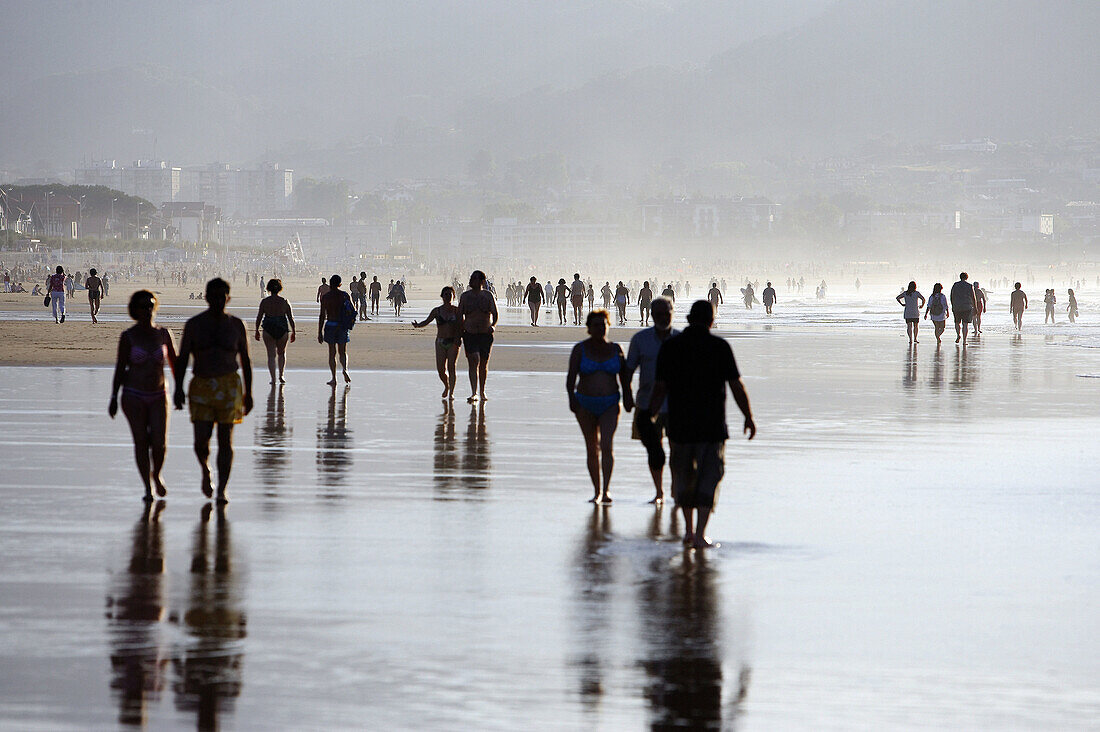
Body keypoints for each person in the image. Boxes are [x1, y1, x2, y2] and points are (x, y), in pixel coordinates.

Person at [649, 301, 755, 549]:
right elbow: (736, 385)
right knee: (709, 477)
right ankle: (700, 534)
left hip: (680, 424)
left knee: (684, 476)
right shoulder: (719, 347)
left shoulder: (671, 347)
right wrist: (748, 417)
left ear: (687, 318)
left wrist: (649, 416)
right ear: (711, 321)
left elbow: (660, 388)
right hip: (711, 426)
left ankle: (687, 531)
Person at [173, 278, 253, 503]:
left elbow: (245, 360)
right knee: (201, 440)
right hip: (202, 385)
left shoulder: (236, 325)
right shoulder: (195, 324)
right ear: (206, 297)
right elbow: (182, 359)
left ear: (228, 298)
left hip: (229, 385)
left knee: (225, 439)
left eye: (222, 296)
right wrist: (178, 388)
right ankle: (206, 471)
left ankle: (222, 489)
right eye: (214, 296)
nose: (218, 301)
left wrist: (249, 393)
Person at [109, 291, 178, 501]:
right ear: (135, 310)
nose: (147, 310)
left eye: (150, 305)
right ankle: (147, 487)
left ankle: (156, 474)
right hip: (133, 395)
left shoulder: (164, 334)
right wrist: (113, 397)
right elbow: (121, 368)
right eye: (142, 306)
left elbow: (176, 365)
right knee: (141, 441)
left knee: (159, 443)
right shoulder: (129, 336)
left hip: (159, 393)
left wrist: (181, 390)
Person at [567, 310, 634, 504]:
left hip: (610, 403)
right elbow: (571, 377)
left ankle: (606, 490)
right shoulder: (580, 349)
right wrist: (571, 398)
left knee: (606, 445)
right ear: (589, 328)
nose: (600, 328)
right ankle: (596, 491)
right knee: (592, 448)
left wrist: (628, 398)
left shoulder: (616, 349)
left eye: (604, 324)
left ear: (608, 326)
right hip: (585, 403)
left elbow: (624, 378)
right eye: (596, 325)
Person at [625, 297, 679, 503]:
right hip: (646, 403)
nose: (663, 317)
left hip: (676, 405)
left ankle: (675, 488)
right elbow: (628, 370)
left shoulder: (680, 340)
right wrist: (627, 395)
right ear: (651, 315)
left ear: (673, 312)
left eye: (667, 313)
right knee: (653, 449)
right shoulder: (640, 339)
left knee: (677, 449)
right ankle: (659, 492)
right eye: (658, 314)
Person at [413, 286, 461, 399]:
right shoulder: (437, 311)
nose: (448, 296)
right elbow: (427, 321)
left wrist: (459, 339)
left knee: (451, 367)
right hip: (440, 342)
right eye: (446, 294)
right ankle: (446, 385)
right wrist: (418, 325)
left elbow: (461, 325)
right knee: (441, 370)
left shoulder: (457, 310)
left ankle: (451, 393)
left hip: (453, 342)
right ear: (442, 296)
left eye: (450, 294)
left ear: (453, 296)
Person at [457, 270, 498, 403]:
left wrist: (493, 325)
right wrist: (460, 331)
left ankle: (482, 391)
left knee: (483, 364)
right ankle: (474, 392)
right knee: (473, 360)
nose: (470, 281)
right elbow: (459, 315)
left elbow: (495, 314)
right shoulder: (465, 296)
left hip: (485, 334)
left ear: (481, 281)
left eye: (473, 279)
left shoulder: (488, 296)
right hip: (470, 333)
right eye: (470, 278)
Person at [254, 278, 295, 385]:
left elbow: (259, 317)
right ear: (280, 289)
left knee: (271, 355)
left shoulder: (265, 302)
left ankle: (273, 378)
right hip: (282, 328)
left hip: (268, 327)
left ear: (269, 288)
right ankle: (281, 375)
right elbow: (291, 318)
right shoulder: (284, 301)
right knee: (281, 353)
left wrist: (257, 330)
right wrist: (294, 331)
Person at [318, 274, 353, 385]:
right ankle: (345, 369)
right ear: (340, 284)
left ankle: (334, 378)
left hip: (331, 324)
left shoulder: (326, 297)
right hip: (342, 325)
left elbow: (322, 315)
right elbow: (352, 310)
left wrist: (319, 332)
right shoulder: (344, 295)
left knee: (332, 353)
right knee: (343, 351)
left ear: (330, 284)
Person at [949, 272, 977, 345]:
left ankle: (958, 335)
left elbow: (951, 296)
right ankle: (964, 341)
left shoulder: (955, 285)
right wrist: (975, 307)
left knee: (957, 322)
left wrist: (953, 305)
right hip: (967, 307)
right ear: (966, 278)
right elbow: (973, 298)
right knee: (965, 324)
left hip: (957, 306)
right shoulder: (969, 286)